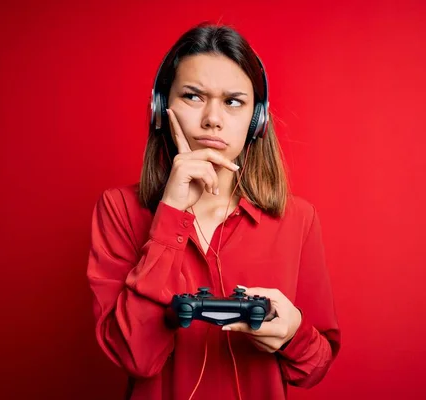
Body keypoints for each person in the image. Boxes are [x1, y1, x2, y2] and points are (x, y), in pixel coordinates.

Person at [87, 22, 341, 400]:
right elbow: (136, 357)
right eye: (193, 96)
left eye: (233, 101)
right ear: (161, 108)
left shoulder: (298, 220)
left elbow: (314, 366)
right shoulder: (119, 209)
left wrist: (292, 333)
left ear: (257, 121)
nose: (213, 119)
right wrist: (171, 213)